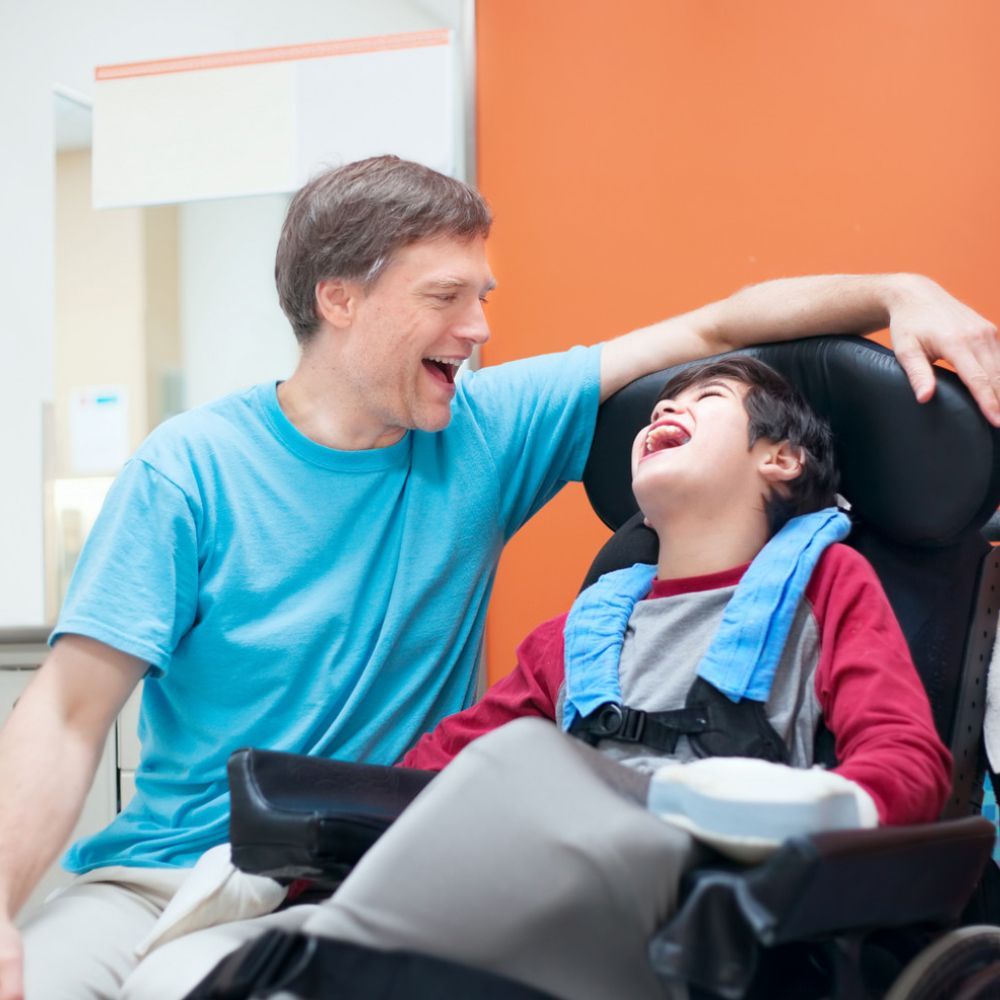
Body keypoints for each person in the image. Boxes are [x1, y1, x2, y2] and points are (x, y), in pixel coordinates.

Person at [0, 154, 990, 1000]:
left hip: (359, 870)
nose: (477, 330)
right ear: (338, 300)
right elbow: (67, 714)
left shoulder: (488, 430)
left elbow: (718, 323)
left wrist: (896, 289)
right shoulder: (190, 469)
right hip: (167, 870)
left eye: (483, 298)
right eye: (445, 298)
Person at [265, 356, 946, 1000]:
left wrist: (804, 809)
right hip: (540, 891)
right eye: (661, 405)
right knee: (260, 936)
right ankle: (301, 947)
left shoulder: (826, 585)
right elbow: (441, 766)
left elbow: (907, 760)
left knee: (523, 760)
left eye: (706, 399)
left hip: (698, 903)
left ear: (781, 459)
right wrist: (319, 851)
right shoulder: (579, 633)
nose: (667, 409)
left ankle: (320, 963)